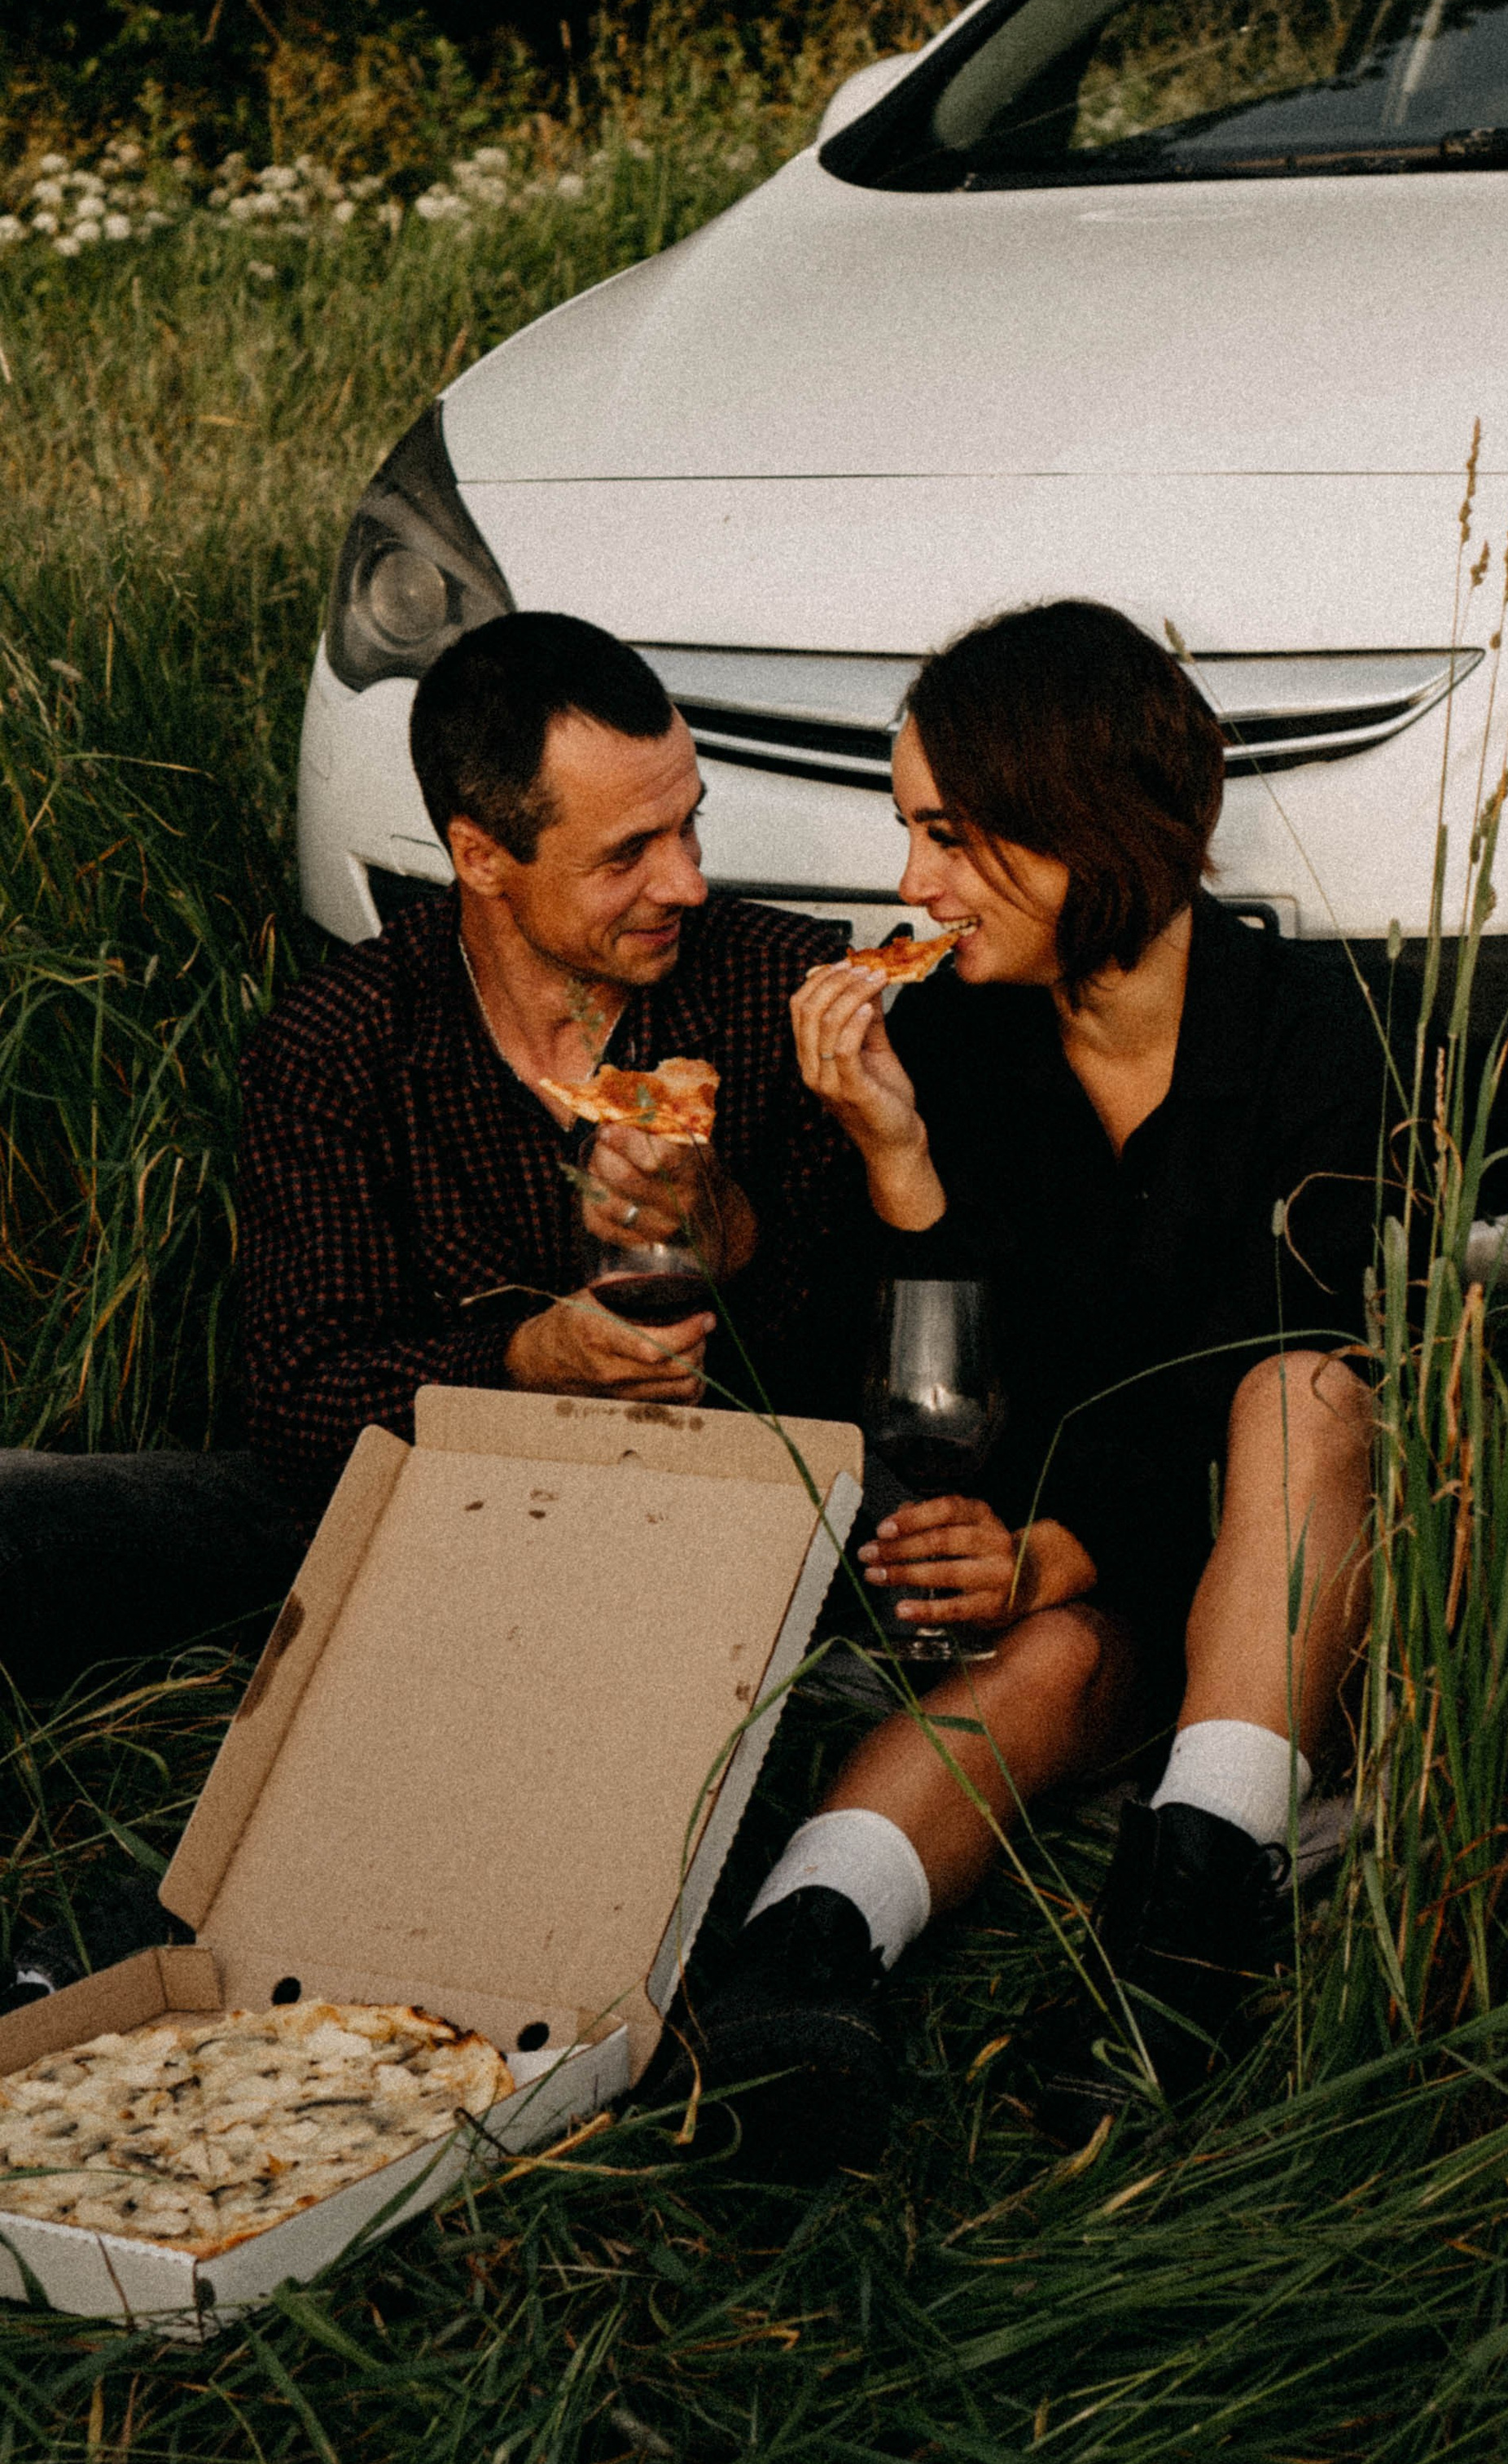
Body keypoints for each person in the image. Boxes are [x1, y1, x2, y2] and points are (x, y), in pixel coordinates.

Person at [3, 609, 860, 1994]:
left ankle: (143, 1941)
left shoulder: (772, 987)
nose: (688, 881)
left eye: (689, 824)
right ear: (480, 855)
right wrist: (522, 1360)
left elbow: (861, 1368)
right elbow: (299, 1396)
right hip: (404, 1499)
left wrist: (732, 1232)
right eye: (628, 853)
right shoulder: (347, 1039)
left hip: (698, 1532)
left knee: (518, 1675)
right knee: (43, 1518)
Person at [691, 601, 1388, 2177]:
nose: (910, 884)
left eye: (949, 834)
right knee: (1052, 1661)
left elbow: (1278, 1343)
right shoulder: (956, 1042)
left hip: (1288, 1558)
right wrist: (898, 1159)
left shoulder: (1318, 1032)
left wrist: (1067, 1540)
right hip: (1085, 1587)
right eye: (910, 832)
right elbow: (934, 1412)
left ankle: (1180, 1954)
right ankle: (794, 1966)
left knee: (1302, 1397)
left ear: (1087, 825)